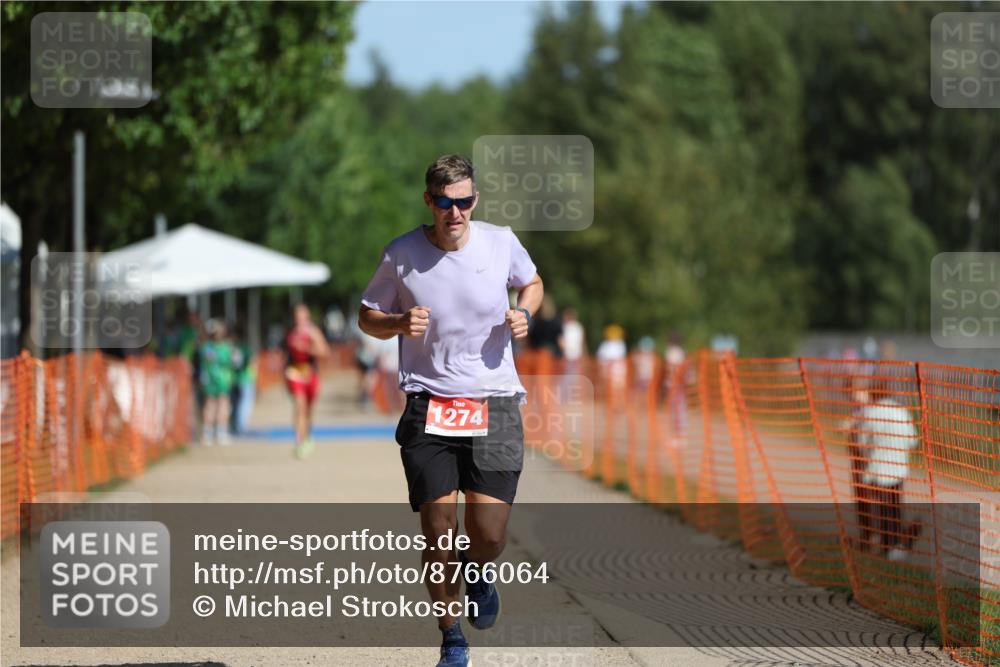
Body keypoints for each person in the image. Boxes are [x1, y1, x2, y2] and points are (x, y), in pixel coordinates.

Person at [358, 154, 543, 667]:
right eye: (445, 202)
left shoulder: (501, 241)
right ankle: (451, 635)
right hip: (429, 403)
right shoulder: (401, 255)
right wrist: (397, 323)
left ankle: (478, 570)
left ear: (474, 201)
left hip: (495, 401)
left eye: (463, 201)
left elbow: (533, 282)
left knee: (489, 535)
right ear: (429, 201)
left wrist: (524, 311)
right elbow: (366, 315)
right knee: (439, 529)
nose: (455, 211)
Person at [849, 377, 922, 560]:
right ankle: (892, 544)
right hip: (898, 470)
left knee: (881, 511)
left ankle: (887, 545)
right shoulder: (901, 412)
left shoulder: (871, 414)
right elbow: (913, 441)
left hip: (877, 471)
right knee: (894, 508)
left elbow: (862, 444)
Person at [284, 304, 330, 459]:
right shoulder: (290, 332)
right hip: (294, 372)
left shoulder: (313, 331)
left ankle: (307, 436)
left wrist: (306, 348)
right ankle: (298, 440)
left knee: (308, 409)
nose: (299, 319)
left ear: (307, 317)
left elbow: (324, 351)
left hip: (310, 373)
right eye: (297, 316)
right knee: (299, 405)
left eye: (302, 316)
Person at [198, 319, 235, 445]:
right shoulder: (221, 348)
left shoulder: (208, 347)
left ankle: (215, 432)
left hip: (217, 381)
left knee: (216, 406)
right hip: (217, 381)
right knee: (216, 406)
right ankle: (214, 432)